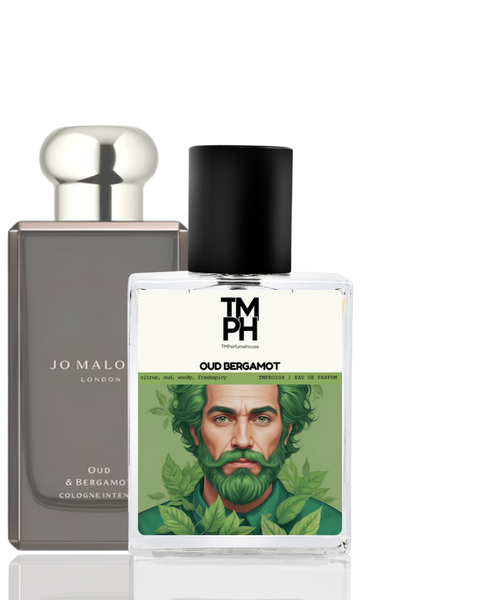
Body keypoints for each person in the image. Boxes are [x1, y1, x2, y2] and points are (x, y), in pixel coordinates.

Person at [138, 384, 341, 535]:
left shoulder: (331, 530)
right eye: (222, 419)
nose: (242, 441)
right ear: (195, 433)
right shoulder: (145, 530)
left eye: (262, 419)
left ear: (286, 433)